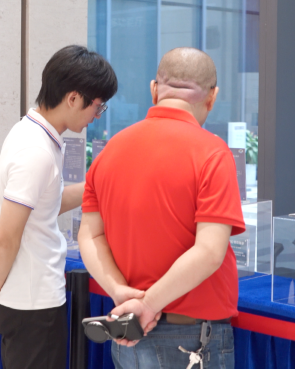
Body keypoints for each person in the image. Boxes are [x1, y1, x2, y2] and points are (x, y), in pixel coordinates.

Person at [78, 47, 245, 369]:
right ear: (212, 97)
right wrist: (149, 304)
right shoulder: (212, 153)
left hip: (127, 327)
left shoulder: (110, 150)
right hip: (190, 338)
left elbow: (90, 235)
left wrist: (120, 293)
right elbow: (210, 252)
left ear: (154, 90)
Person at [0, 45, 119, 369]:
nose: (97, 115)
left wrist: (101, 183)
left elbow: (46, 204)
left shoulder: (32, 133)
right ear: (73, 98)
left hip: (29, 297)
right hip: (33, 304)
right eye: (97, 106)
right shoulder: (35, 150)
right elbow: (5, 237)